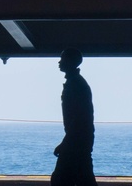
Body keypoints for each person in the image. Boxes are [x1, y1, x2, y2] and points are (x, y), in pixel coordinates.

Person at [51, 48, 97, 186]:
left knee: (60, 180)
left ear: (70, 61)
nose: (59, 62)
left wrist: (65, 143)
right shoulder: (77, 83)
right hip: (81, 140)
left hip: (77, 140)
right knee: (83, 178)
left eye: (63, 59)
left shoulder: (75, 85)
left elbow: (78, 119)